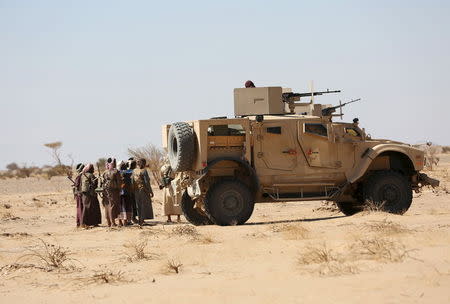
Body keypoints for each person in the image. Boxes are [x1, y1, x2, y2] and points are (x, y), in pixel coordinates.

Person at [131, 158, 154, 225]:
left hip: (136, 190)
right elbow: (147, 182)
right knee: (143, 204)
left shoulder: (134, 171)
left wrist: (133, 189)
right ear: (143, 163)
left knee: (138, 205)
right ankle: (142, 220)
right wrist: (150, 191)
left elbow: (132, 181)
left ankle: (140, 220)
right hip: (143, 190)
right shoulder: (144, 171)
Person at [101, 157, 121, 227]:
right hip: (114, 191)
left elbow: (102, 182)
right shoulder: (116, 172)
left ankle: (109, 222)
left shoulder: (105, 172)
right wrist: (119, 189)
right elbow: (119, 183)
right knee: (113, 206)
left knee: (107, 206)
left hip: (105, 191)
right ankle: (113, 223)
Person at [117, 161, 134, 226]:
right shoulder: (128, 173)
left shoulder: (117, 173)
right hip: (127, 193)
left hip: (119, 193)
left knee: (120, 207)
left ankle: (120, 222)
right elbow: (131, 170)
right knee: (126, 207)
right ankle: (125, 221)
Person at [73, 163, 85, 227]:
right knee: (80, 208)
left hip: (78, 194)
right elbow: (77, 185)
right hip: (79, 194)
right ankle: (81, 223)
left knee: (79, 208)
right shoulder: (80, 176)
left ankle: (79, 223)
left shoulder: (80, 176)